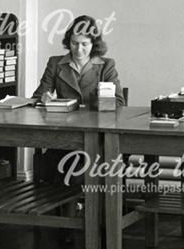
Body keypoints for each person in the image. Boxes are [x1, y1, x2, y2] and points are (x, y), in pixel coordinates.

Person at [31, 14, 124, 185]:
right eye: (74, 43)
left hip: (97, 137)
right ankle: (63, 206)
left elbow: (118, 102)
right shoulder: (55, 63)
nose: (79, 49)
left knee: (77, 168)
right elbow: (37, 98)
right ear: (68, 42)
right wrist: (44, 98)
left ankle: (80, 206)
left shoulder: (106, 65)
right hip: (64, 136)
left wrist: (96, 100)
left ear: (93, 44)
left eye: (84, 44)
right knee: (59, 164)